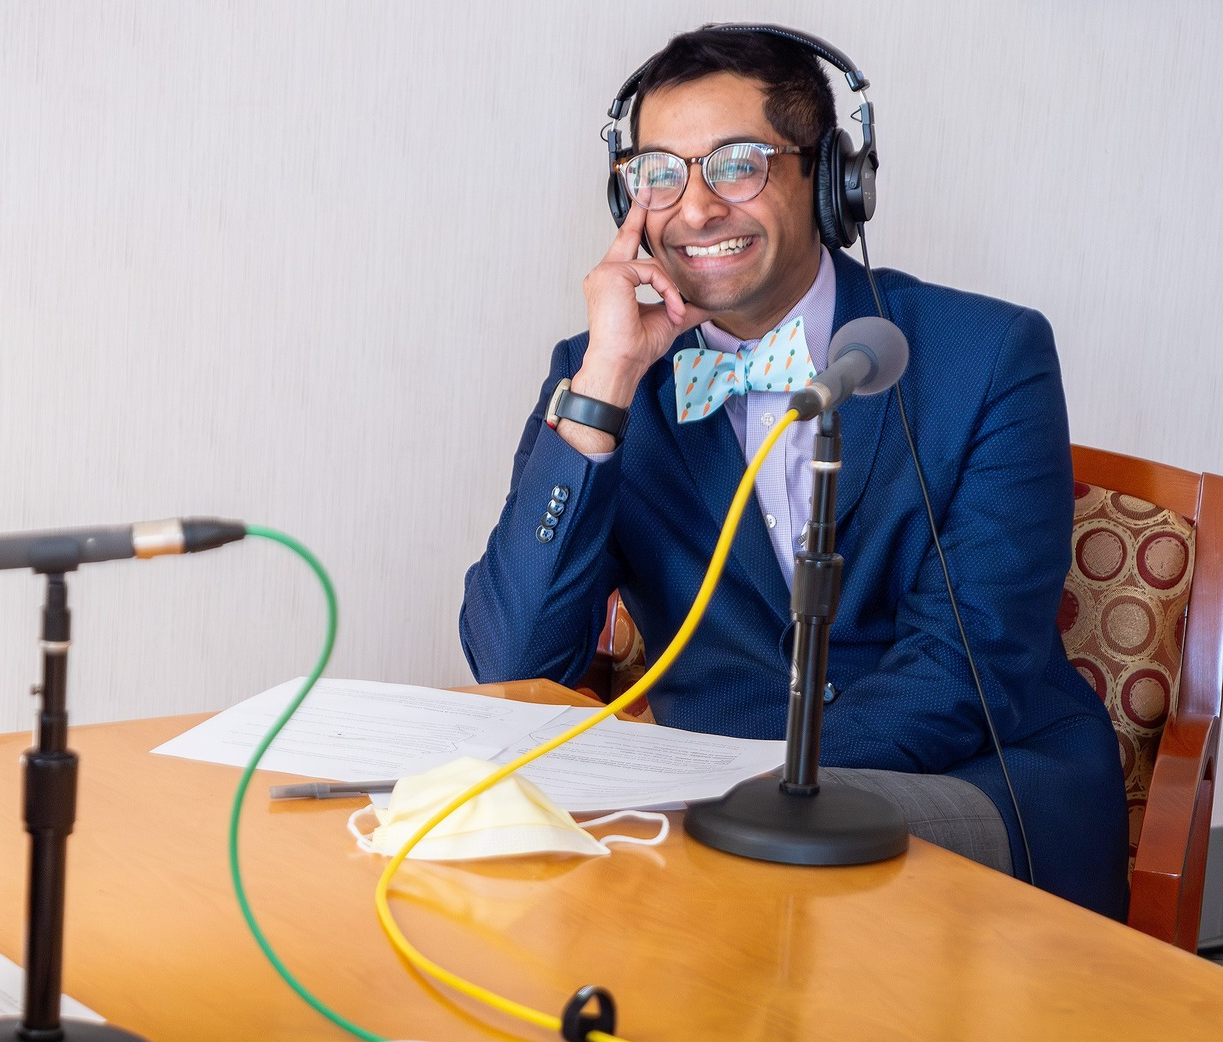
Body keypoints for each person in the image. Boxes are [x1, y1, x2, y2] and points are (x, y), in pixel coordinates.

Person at [458, 26, 1127, 918]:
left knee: (728, 876)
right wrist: (607, 387)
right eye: (659, 172)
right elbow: (512, 659)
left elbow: (966, 671)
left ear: (832, 180)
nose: (693, 210)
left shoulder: (991, 355)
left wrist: (742, 784)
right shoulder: (600, 374)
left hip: (971, 782)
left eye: (736, 164)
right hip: (709, 817)